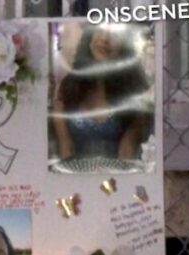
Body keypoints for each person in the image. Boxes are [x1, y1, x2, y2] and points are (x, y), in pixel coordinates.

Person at [51, 24, 150, 162]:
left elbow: (127, 151)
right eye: (99, 30)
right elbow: (65, 148)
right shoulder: (66, 88)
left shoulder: (135, 91)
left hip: (120, 172)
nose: (104, 39)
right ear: (89, 37)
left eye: (114, 34)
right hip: (71, 170)